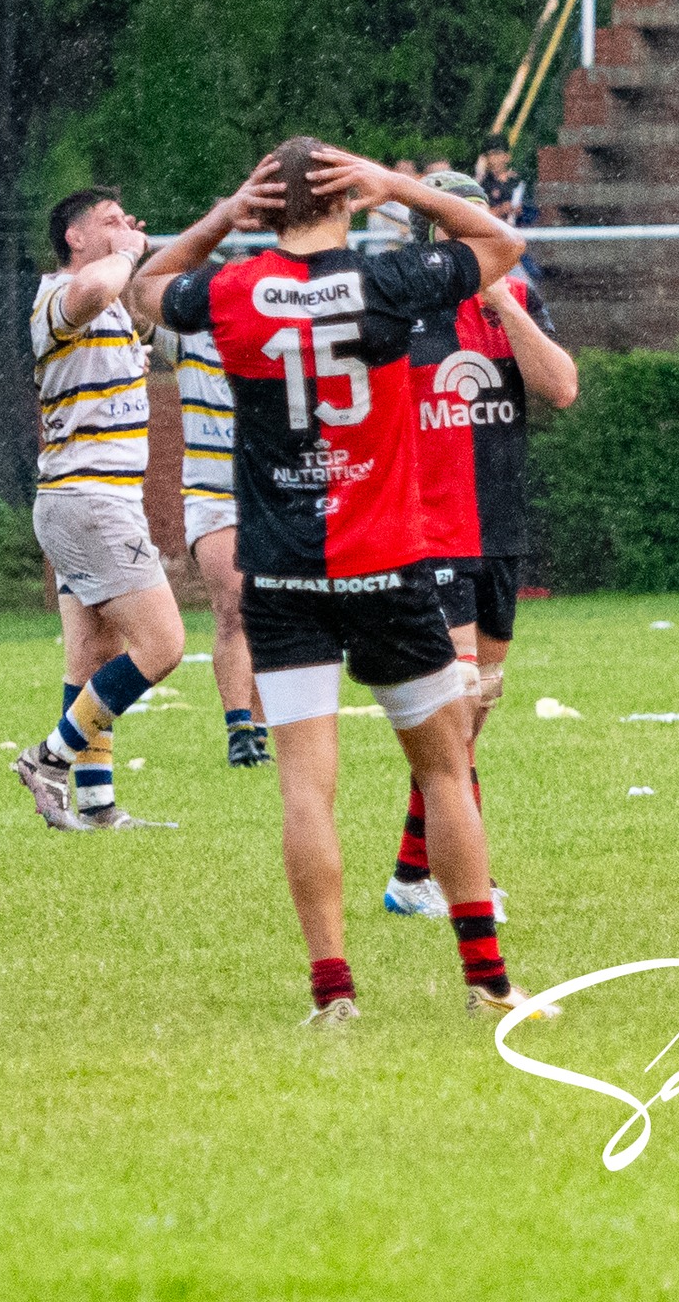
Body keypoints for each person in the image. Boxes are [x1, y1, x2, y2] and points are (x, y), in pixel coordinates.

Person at [134, 141, 544, 1026]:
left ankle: (334, 994)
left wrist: (217, 218)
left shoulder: (234, 292)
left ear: (264, 207)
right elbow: (499, 248)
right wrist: (397, 183)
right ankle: (486, 983)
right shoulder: (385, 282)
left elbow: (145, 288)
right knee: (443, 769)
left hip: (283, 574)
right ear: (346, 200)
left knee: (304, 786)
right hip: (388, 564)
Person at [384, 171, 580, 918]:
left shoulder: (516, 300)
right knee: (456, 706)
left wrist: (499, 296)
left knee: (473, 713)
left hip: (498, 528)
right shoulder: (398, 307)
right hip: (430, 528)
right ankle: (459, 880)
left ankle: (410, 874)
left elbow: (560, 388)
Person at [13, 189, 192, 832]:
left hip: (91, 499)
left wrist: (139, 262)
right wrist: (128, 252)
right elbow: (99, 289)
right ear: (75, 239)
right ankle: (49, 759)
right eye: (108, 222)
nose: (124, 227)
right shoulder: (58, 295)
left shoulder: (112, 298)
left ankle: (96, 807)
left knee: (91, 660)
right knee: (164, 644)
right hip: (88, 500)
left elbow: (147, 303)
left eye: (125, 218)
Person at [156, 310, 267, 766]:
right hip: (212, 493)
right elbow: (140, 298)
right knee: (234, 605)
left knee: (272, 612)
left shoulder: (272, 338)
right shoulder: (188, 339)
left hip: (270, 493)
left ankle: (260, 729)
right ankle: (238, 729)